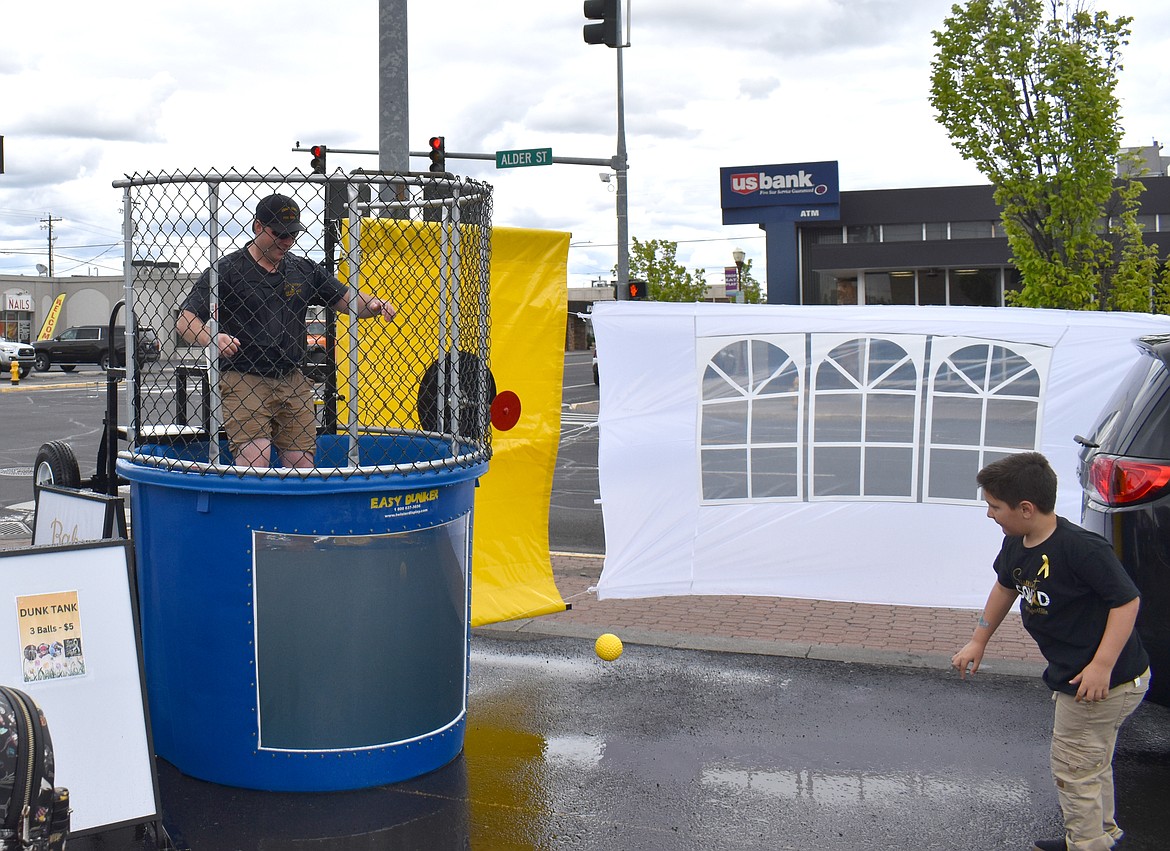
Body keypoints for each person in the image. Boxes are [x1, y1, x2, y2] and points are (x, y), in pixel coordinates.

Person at [952, 452, 1149, 851]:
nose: (989, 514)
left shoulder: (1081, 548)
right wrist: (979, 639)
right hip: (1083, 674)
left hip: (1099, 682)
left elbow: (1126, 601)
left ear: (1026, 508)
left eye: (994, 506)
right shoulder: (1016, 543)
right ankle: (1100, 833)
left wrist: (1101, 666)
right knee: (1090, 761)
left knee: (1073, 767)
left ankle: (1086, 843)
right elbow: (1006, 587)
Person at [177, 193, 396, 469]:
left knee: (302, 464)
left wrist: (374, 304)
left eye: (292, 235)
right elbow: (185, 320)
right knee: (256, 459)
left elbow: (347, 299)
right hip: (245, 376)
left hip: (291, 376)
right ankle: (255, 513)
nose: (287, 241)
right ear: (258, 227)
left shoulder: (302, 270)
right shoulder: (228, 270)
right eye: (279, 234)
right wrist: (213, 338)